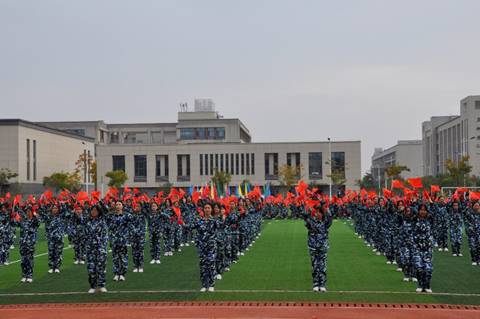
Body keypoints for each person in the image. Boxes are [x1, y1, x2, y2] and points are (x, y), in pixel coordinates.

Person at [303, 202, 333, 293]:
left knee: (323, 266)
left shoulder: (325, 222)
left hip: (323, 246)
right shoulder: (310, 222)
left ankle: (322, 284)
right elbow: (304, 216)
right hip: (313, 246)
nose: (317, 214)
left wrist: (326, 209)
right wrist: (307, 208)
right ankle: (316, 284)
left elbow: (330, 218)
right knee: (315, 265)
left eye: (319, 212)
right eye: (316, 212)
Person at [193, 202, 218, 292]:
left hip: (211, 246)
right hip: (202, 247)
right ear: (203, 209)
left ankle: (211, 284)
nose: (207, 209)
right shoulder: (200, 221)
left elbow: (222, 226)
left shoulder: (215, 220)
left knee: (211, 264)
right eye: (206, 208)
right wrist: (183, 223)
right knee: (203, 265)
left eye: (209, 208)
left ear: (211, 210)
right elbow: (191, 227)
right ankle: (204, 285)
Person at [84, 203, 109, 293]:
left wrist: (102, 247)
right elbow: (85, 235)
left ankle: (101, 285)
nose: (94, 212)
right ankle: (93, 286)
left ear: (99, 212)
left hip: (100, 248)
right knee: (91, 268)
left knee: (101, 267)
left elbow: (105, 236)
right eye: (92, 210)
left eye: (96, 210)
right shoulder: (87, 222)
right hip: (90, 249)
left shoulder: (102, 221)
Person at [107, 200, 132, 281]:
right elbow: (109, 227)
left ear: (122, 206)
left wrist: (128, 237)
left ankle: (122, 273)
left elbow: (132, 224)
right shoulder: (111, 216)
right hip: (114, 240)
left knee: (123, 257)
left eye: (119, 204)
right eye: (116, 204)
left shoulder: (126, 216)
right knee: (115, 258)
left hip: (123, 240)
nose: (117, 206)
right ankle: (116, 273)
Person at [412, 204, 434, 293]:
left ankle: (427, 286)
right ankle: (420, 285)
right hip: (417, 248)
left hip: (428, 248)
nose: (423, 211)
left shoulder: (430, 220)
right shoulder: (414, 220)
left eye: (424, 210)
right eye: (421, 210)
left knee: (428, 269)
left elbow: (435, 212)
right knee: (419, 268)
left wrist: (432, 202)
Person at [18, 205, 40, 283]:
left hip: (30, 243)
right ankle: (24, 275)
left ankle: (29, 275)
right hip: (23, 243)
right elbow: (16, 224)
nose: (28, 213)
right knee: (23, 260)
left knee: (30, 259)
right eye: (27, 211)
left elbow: (38, 223)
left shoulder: (34, 220)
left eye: (29, 211)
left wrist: (35, 215)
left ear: (32, 212)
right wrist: (14, 217)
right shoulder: (23, 220)